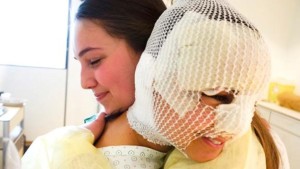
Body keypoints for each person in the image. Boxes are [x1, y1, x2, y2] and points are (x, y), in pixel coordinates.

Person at [86, 0, 289, 169]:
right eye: (217, 96)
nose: (236, 126)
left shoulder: (265, 145)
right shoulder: (108, 157)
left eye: (251, 103)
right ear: (154, 75)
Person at [21, 0, 167, 168]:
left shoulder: (167, 117)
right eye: (80, 62)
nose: (84, 83)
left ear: (149, 48)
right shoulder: (112, 122)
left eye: (94, 60)